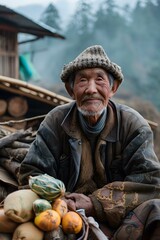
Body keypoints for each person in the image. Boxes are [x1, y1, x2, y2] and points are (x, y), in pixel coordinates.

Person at [18, 45, 160, 239]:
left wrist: (96, 204)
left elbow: (151, 183)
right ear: (71, 90)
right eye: (82, 80)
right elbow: (31, 174)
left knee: (157, 209)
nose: (91, 89)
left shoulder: (133, 126)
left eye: (99, 79)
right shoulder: (55, 122)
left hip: (122, 221)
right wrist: (61, 200)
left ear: (113, 88)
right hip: (68, 217)